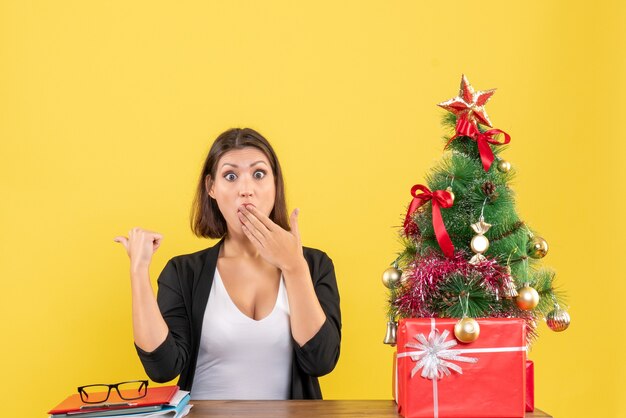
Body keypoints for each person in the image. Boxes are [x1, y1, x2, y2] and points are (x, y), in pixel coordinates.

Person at [113, 128, 341, 400]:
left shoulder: (314, 265)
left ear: (275, 184)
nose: (246, 190)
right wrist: (138, 271)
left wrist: (294, 267)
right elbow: (163, 368)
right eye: (230, 176)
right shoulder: (183, 272)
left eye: (259, 174)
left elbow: (321, 361)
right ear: (211, 187)